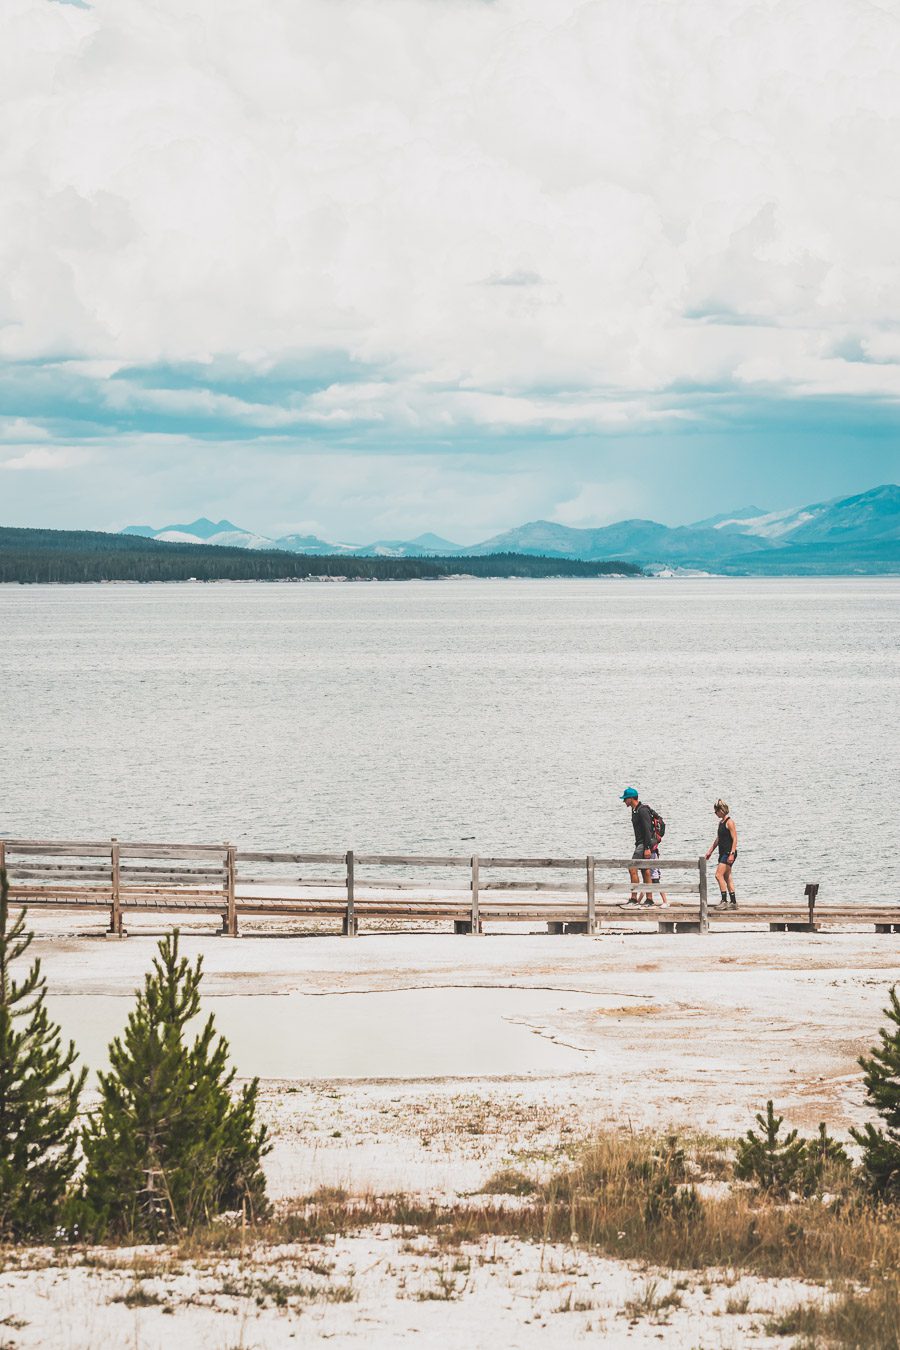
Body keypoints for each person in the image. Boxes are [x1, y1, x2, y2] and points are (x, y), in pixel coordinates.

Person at [619, 787, 667, 908]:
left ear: (631, 798)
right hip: (640, 844)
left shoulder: (642, 810)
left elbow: (647, 830)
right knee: (645, 870)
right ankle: (649, 899)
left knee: (632, 868)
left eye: (625, 799)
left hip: (644, 844)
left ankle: (634, 899)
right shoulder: (635, 810)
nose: (624, 801)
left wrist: (647, 848)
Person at [706, 800, 738, 909]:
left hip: (729, 852)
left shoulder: (730, 822)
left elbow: (735, 839)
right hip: (722, 852)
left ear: (722, 811)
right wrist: (710, 851)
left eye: (716, 811)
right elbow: (718, 839)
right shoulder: (721, 823)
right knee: (727, 876)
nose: (715, 814)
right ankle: (733, 902)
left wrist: (732, 854)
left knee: (718, 875)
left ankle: (724, 900)